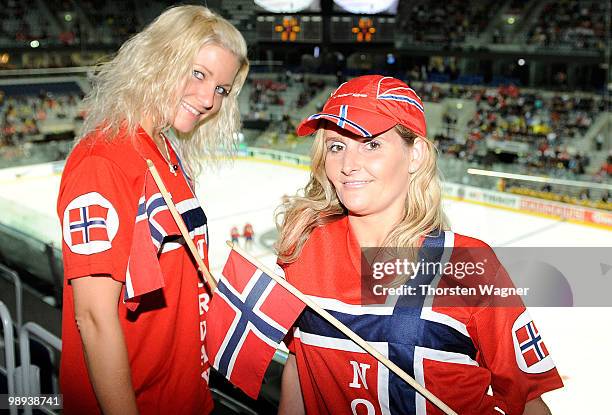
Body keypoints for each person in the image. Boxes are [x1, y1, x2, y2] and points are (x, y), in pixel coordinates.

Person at [276, 75, 563, 414]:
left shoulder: (468, 265)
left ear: (415, 155)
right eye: (336, 146)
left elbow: (527, 400)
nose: (348, 165)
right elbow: (299, 364)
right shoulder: (303, 249)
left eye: (371, 144)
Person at [56, 6, 248, 414]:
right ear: (159, 57)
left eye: (222, 89)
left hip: (186, 396)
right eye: (198, 74)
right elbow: (92, 317)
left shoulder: (164, 151)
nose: (208, 99)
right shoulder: (103, 160)